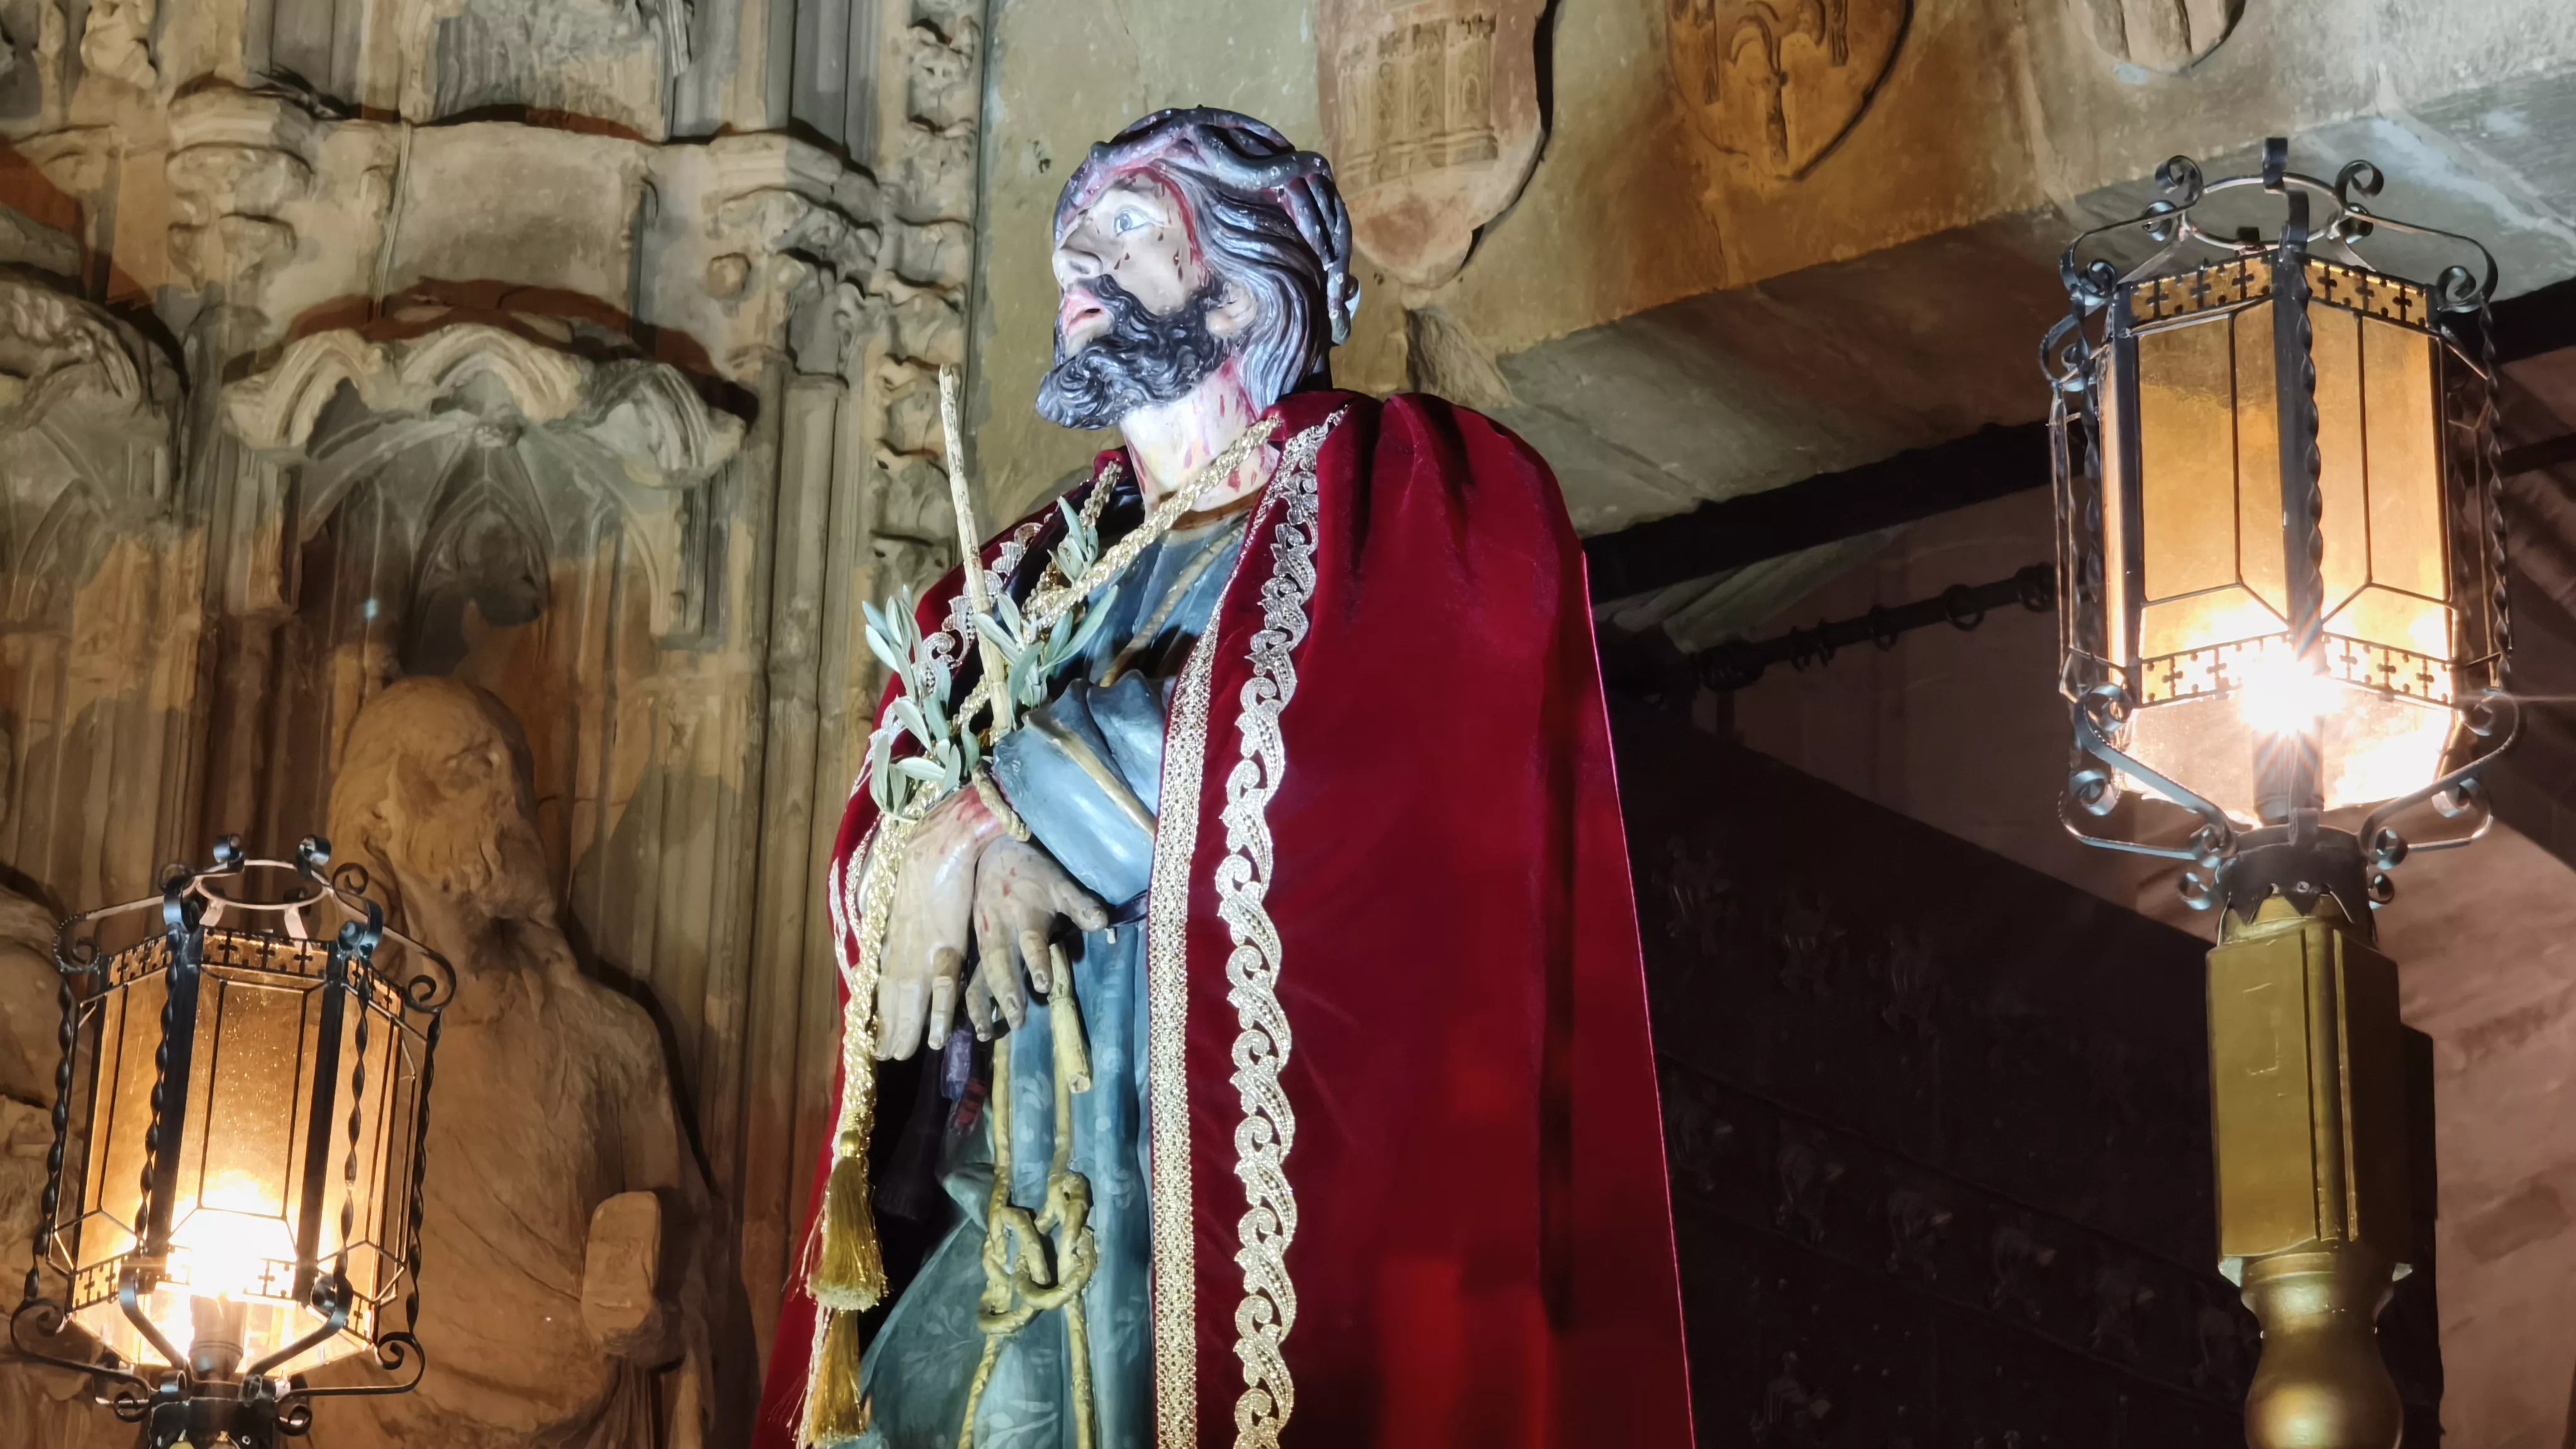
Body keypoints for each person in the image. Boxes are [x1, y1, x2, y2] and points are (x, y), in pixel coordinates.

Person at [759, 108, 1691, 1449]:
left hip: (1190, 1210)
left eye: (1125, 229)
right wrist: (945, 849)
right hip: (995, 1218)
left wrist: (1016, 803)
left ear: (1245, 284)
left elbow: (1354, 744)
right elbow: (877, 853)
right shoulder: (1016, 575)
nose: (1075, 264)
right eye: (1069, 241)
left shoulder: (1404, 495)